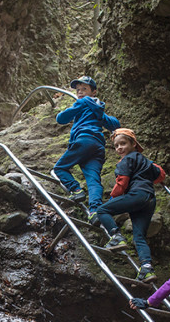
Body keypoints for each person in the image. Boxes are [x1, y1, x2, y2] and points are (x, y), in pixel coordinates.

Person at [95, 128, 164, 282]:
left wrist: (113, 198)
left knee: (102, 210)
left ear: (133, 143)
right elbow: (160, 174)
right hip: (149, 199)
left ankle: (116, 236)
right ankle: (147, 268)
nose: (120, 148)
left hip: (137, 194)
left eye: (123, 143)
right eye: (116, 146)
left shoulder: (126, 160)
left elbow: (122, 182)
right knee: (139, 237)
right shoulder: (146, 161)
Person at [50, 75, 121, 218]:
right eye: (78, 90)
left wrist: (76, 105)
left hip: (84, 140)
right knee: (93, 179)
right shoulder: (99, 109)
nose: (80, 92)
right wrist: (101, 116)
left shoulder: (82, 103)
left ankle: (76, 190)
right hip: (98, 146)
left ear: (93, 92)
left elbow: (61, 119)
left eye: (84, 89)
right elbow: (115, 124)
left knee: (59, 168)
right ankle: (95, 211)